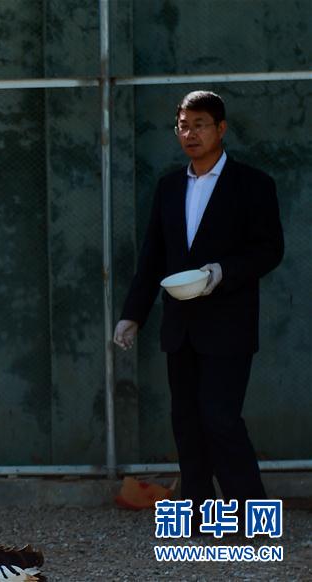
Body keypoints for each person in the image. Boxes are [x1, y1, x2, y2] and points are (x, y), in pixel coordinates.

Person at [114, 91, 284, 523]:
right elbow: (153, 256)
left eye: (200, 125)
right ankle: (198, 513)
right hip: (180, 326)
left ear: (221, 129)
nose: (190, 134)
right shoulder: (170, 186)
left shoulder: (254, 184)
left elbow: (269, 250)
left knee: (220, 418)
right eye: (183, 126)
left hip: (229, 325)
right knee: (187, 423)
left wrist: (220, 272)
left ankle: (253, 517)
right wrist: (132, 314)